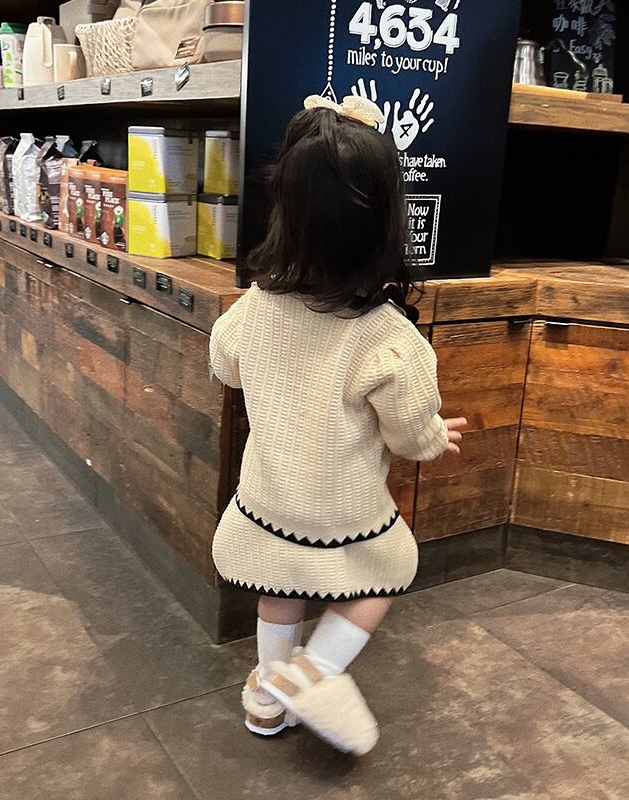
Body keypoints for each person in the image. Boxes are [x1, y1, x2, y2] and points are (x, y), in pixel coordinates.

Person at [209, 94, 467, 756]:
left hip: (269, 495)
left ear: (285, 213)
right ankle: (311, 672)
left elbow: (225, 365)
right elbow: (409, 434)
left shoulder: (257, 306)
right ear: (386, 221)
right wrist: (436, 438)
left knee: (279, 586)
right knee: (388, 571)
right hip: (342, 506)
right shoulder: (390, 338)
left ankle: (267, 697)